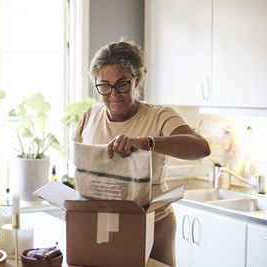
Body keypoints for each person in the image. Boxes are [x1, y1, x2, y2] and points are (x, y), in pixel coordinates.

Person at [73, 41, 210, 267]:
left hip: (153, 224)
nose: (113, 93)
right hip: (102, 225)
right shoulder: (90, 116)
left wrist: (145, 142)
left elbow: (200, 147)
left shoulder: (159, 116)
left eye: (122, 84)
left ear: (137, 81)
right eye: (104, 85)